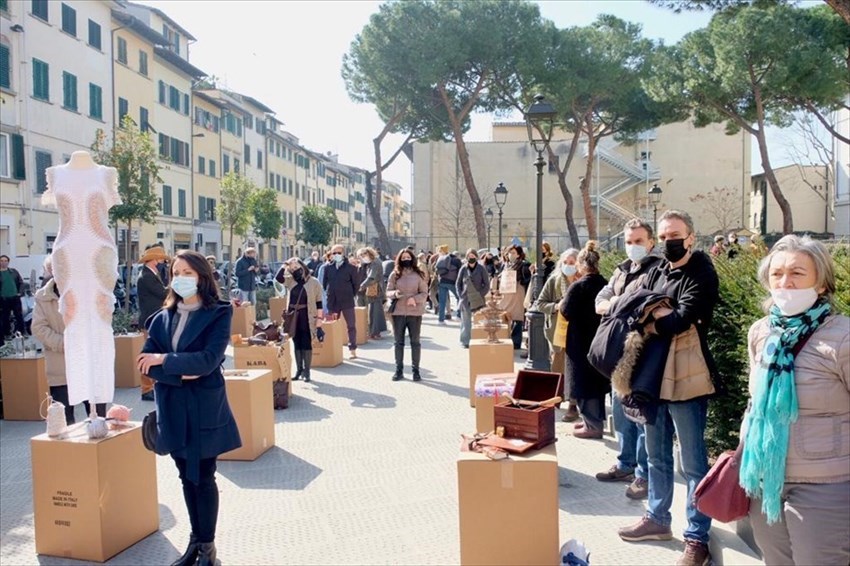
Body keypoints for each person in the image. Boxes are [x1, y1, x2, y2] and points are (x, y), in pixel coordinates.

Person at [617, 210, 720, 566]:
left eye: (674, 235)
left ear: (691, 236)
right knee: (656, 455)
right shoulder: (658, 269)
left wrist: (658, 314)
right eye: (662, 237)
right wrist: (657, 313)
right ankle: (657, 519)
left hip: (687, 377)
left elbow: (679, 319)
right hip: (652, 377)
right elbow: (637, 309)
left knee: (693, 464)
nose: (668, 242)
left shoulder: (702, 271)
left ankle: (697, 538)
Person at [741, 235, 849, 566]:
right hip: (764, 482)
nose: (785, 282)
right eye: (777, 274)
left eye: (797, 273)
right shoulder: (761, 332)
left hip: (825, 485)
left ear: (821, 283)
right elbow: (754, 402)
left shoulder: (842, 337)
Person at [136, 250, 241, 566]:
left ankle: (207, 548)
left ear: (203, 277)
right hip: (172, 409)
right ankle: (195, 542)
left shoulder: (219, 313)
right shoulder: (159, 319)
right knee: (185, 476)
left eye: (189, 273)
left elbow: (209, 360)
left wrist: (166, 361)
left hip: (205, 409)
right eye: (176, 272)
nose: (181, 278)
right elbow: (145, 365)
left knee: (204, 476)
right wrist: (184, 371)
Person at [594, 218, 664, 500]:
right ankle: (625, 463)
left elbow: (646, 303)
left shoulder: (658, 270)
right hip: (617, 351)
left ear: (650, 242)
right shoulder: (622, 270)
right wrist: (617, 304)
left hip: (643, 350)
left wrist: (617, 306)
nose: (633, 247)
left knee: (640, 414)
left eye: (638, 241)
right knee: (621, 411)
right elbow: (602, 297)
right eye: (628, 242)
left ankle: (643, 475)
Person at [32, 255, 105, 423]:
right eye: (56, 268)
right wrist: (63, 343)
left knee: (98, 417)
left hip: (88, 362)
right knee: (64, 420)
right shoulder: (42, 296)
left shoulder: (86, 292)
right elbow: (38, 327)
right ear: (50, 271)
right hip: (60, 364)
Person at [559, 241, 608, 439]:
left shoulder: (578, 286)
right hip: (600, 339)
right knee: (596, 382)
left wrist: (562, 303)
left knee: (582, 383)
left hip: (579, 341)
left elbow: (566, 311)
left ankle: (593, 425)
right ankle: (592, 422)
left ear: (581, 265)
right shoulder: (605, 283)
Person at [533, 248, 580, 421]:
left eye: (572, 263)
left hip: (578, 333)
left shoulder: (582, 281)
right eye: (566, 262)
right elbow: (540, 304)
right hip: (557, 332)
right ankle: (557, 397)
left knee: (574, 369)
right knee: (558, 367)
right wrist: (555, 307)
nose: (569, 266)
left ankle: (573, 405)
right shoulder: (554, 281)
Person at [276, 258, 323, 383]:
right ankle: (299, 370)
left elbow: (319, 303)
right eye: (292, 269)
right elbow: (278, 278)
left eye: (297, 267)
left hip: (307, 316)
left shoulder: (314, 282)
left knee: (306, 343)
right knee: (296, 343)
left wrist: (319, 322)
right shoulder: (290, 281)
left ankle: (307, 371)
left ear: (303, 267)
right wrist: (285, 265)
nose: (295, 270)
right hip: (293, 317)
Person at [386, 248, 428, 381]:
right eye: (403, 258)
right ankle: (399, 370)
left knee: (415, 342)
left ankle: (416, 370)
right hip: (398, 311)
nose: (405, 260)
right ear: (399, 259)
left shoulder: (419, 274)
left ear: (412, 258)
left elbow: (424, 294)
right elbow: (388, 291)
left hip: (414, 312)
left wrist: (414, 299)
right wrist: (395, 294)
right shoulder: (395, 274)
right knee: (398, 342)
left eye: (408, 257)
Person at [137, 245, 170, 402]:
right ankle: (146, 388)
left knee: (154, 352)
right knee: (149, 353)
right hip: (151, 320)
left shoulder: (152, 274)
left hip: (154, 319)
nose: (162, 261)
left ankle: (152, 386)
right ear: (153, 261)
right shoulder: (147, 277)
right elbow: (163, 293)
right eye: (159, 258)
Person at [321, 244, 360, 359]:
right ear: (331, 255)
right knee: (332, 325)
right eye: (334, 253)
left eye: (339, 252)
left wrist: (351, 294)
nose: (336, 255)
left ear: (343, 254)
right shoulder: (327, 268)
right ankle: (334, 349)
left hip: (347, 300)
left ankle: (352, 349)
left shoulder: (351, 268)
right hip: (333, 301)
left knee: (351, 325)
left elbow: (356, 285)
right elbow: (324, 284)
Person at [498, 245, 532, 350]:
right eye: (509, 252)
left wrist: (521, 281)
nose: (511, 255)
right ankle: (506, 337)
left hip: (518, 293)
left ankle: (516, 342)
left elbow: (528, 279)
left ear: (518, 254)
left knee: (517, 317)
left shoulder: (523, 265)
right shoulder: (505, 265)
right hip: (506, 293)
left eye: (513, 253)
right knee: (505, 315)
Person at [456, 248, 489, 349]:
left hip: (478, 299)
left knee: (478, 320)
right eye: (469, 256)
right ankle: (465, 341)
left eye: (473, 256)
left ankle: (478, 339)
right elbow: (458, 283)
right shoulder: (463, 268)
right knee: (465, 321)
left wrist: (480, 294)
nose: (471, 258)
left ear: (476, 257)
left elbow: (486, 284)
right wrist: (460, 295)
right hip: (466, 298)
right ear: (466, 257)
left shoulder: (481, 268)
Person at [358, 247, 387, 340]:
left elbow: (371, 277)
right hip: (376, 289)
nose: (362, 258)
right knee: (376, 310)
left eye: (362, 256)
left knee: (374, 311)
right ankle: (375, 332)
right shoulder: (374, 262)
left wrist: (362, 286)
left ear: (367, 254)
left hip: (375, 289)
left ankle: (374, 332)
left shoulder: (374, 263)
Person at [0, 254, 25, 342]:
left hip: (15, 298)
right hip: (3, 300)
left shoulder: (13, 272)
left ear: (8, 262)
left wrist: (20, 293)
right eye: (2, 261)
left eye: (5, 261)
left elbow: (21, 282)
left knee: (19, 316)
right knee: (5, 318)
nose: (3, 263)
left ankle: (22, 333)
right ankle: (7, 334)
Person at [435, 245, 461, 323]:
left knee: (442, 301)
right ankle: (458, 316)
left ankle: (441, 319)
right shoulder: (456, 260)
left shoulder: (440, 259)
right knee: (459, 298)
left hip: (442, 281)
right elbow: (460, 272)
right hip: (452, 282)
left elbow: (435, 269)